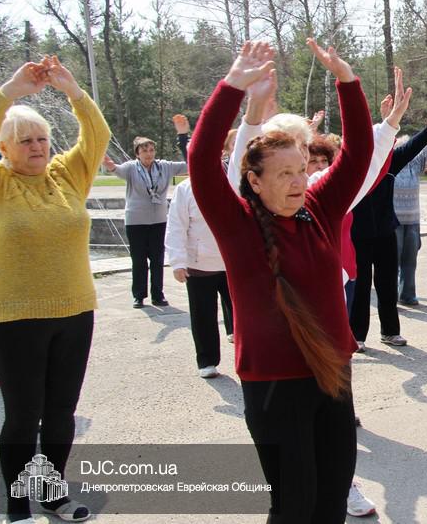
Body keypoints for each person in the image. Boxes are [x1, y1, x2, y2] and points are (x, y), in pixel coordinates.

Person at [189, 40, 373, 522]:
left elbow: (358, 155)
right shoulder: (237, 225)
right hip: (273, 385)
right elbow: (200, 158)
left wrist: (347, 81)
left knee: (332, 501)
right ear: (254, 181)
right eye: (284, 174)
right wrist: (233, 85)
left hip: (332, 375)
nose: (297, 182)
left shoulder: (320, 209)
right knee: (294, 506)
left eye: (300, 171)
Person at [0, 56, 110, 523]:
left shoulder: (67, 174)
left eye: (42, 138)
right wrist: (10, 92)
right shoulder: (0, 183)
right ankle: (17, 508)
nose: (37, 146)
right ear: (4, 147)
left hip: (76, 312)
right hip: (15, 317)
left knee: (62, 413)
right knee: (24, 417)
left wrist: (74, 92)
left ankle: (52, 493)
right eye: (25, 140)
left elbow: (97, 136)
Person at [349, 111, 427, 349]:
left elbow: (410, 149)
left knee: (387, 285)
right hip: (358, 235)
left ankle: (390, 332)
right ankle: (357, 336)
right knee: (361, 287)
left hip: (386, 232)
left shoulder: (389, 163)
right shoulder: (352, 165)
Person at [102, 123, 188, 309]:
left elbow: (189, 165)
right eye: (144, 150)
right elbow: (117, 170)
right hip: (136, 222)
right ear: (137, 154)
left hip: (159, 220)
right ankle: (139, 296)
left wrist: (184, 142)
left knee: (157, 259)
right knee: (139, 260)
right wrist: (110, 166)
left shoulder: (164, 167)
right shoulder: (131, 168)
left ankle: (158, 295)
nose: (149, 154)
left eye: (151, 150)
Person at [165, 175, 233, 379]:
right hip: (199, 264)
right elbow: (176, 226)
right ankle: (207, 360)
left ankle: (247, 355)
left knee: (242, 312)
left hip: (231, 262)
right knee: (203, 314)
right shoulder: (185, 189)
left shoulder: (231, 182)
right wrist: (177, 262)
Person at [393, 133, 427, 307]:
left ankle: (407, 295)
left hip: (412, 220)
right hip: (393, 221)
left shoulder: (414, 165)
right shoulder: (391, 163)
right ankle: (390, 295)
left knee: (410, 260)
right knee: (392, 261)